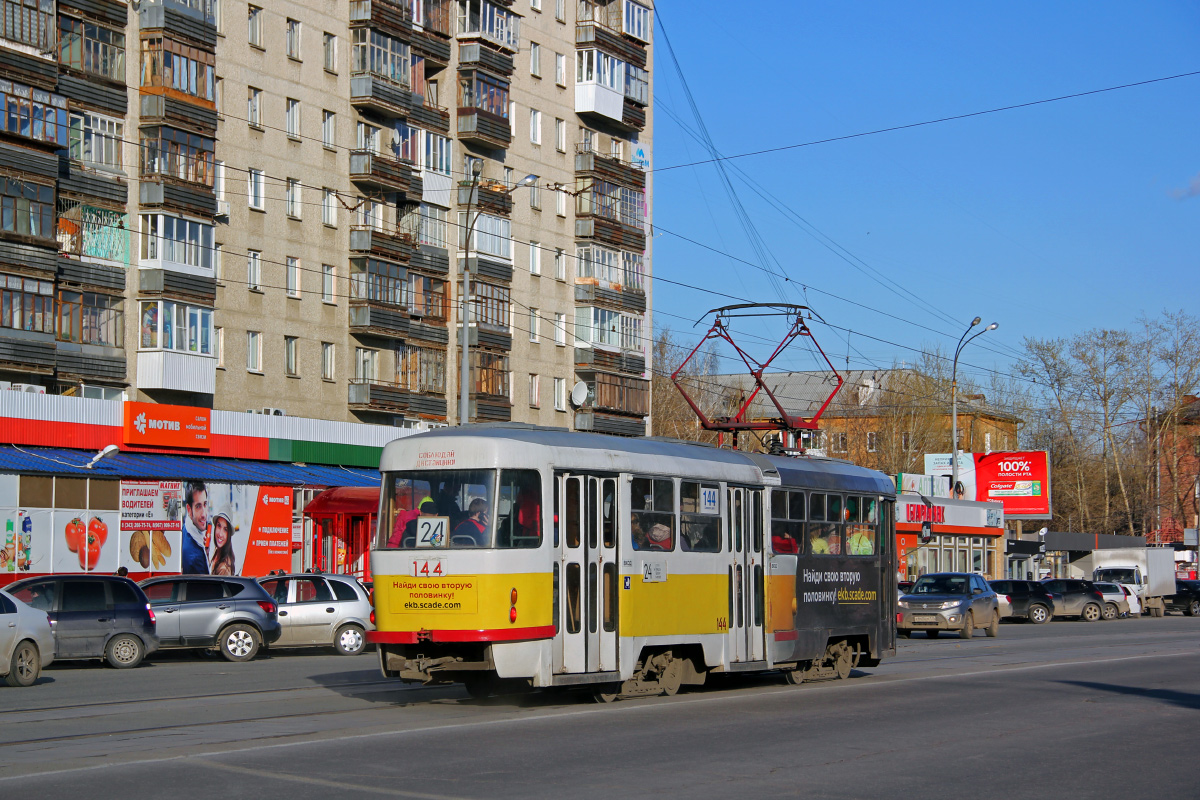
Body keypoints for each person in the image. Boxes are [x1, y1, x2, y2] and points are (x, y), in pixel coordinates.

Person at [181, 481, 210, 574]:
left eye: (205, 504)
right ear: (189, 510)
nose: (204, 514)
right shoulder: (196, 558)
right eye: (198, 506)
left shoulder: (184, 530)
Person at [209, 507, 236, 575]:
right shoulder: (218, 552)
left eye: (225, 529)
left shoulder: (224, 569)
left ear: (229, 534)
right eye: (219, 526)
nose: (220, 534)